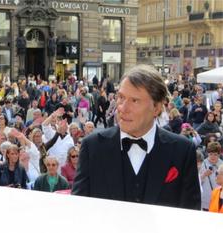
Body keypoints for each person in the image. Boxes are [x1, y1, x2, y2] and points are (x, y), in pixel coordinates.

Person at [72, 65, 201, 210]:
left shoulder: (182, 151)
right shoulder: (92, 147)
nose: (122, 108)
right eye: (121, 97)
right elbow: (79, 211)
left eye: (135, 101)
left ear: (157, 108)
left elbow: (190, 215)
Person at [199, 142, 223, 211]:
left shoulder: (222, 164)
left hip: (219, 198)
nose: (212, 157)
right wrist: (204, 175)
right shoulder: (202, 164)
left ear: (219, 154)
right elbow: (196, 182)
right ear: (207, 154)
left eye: (215, 154)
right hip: (206, 198)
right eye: (210, 154)